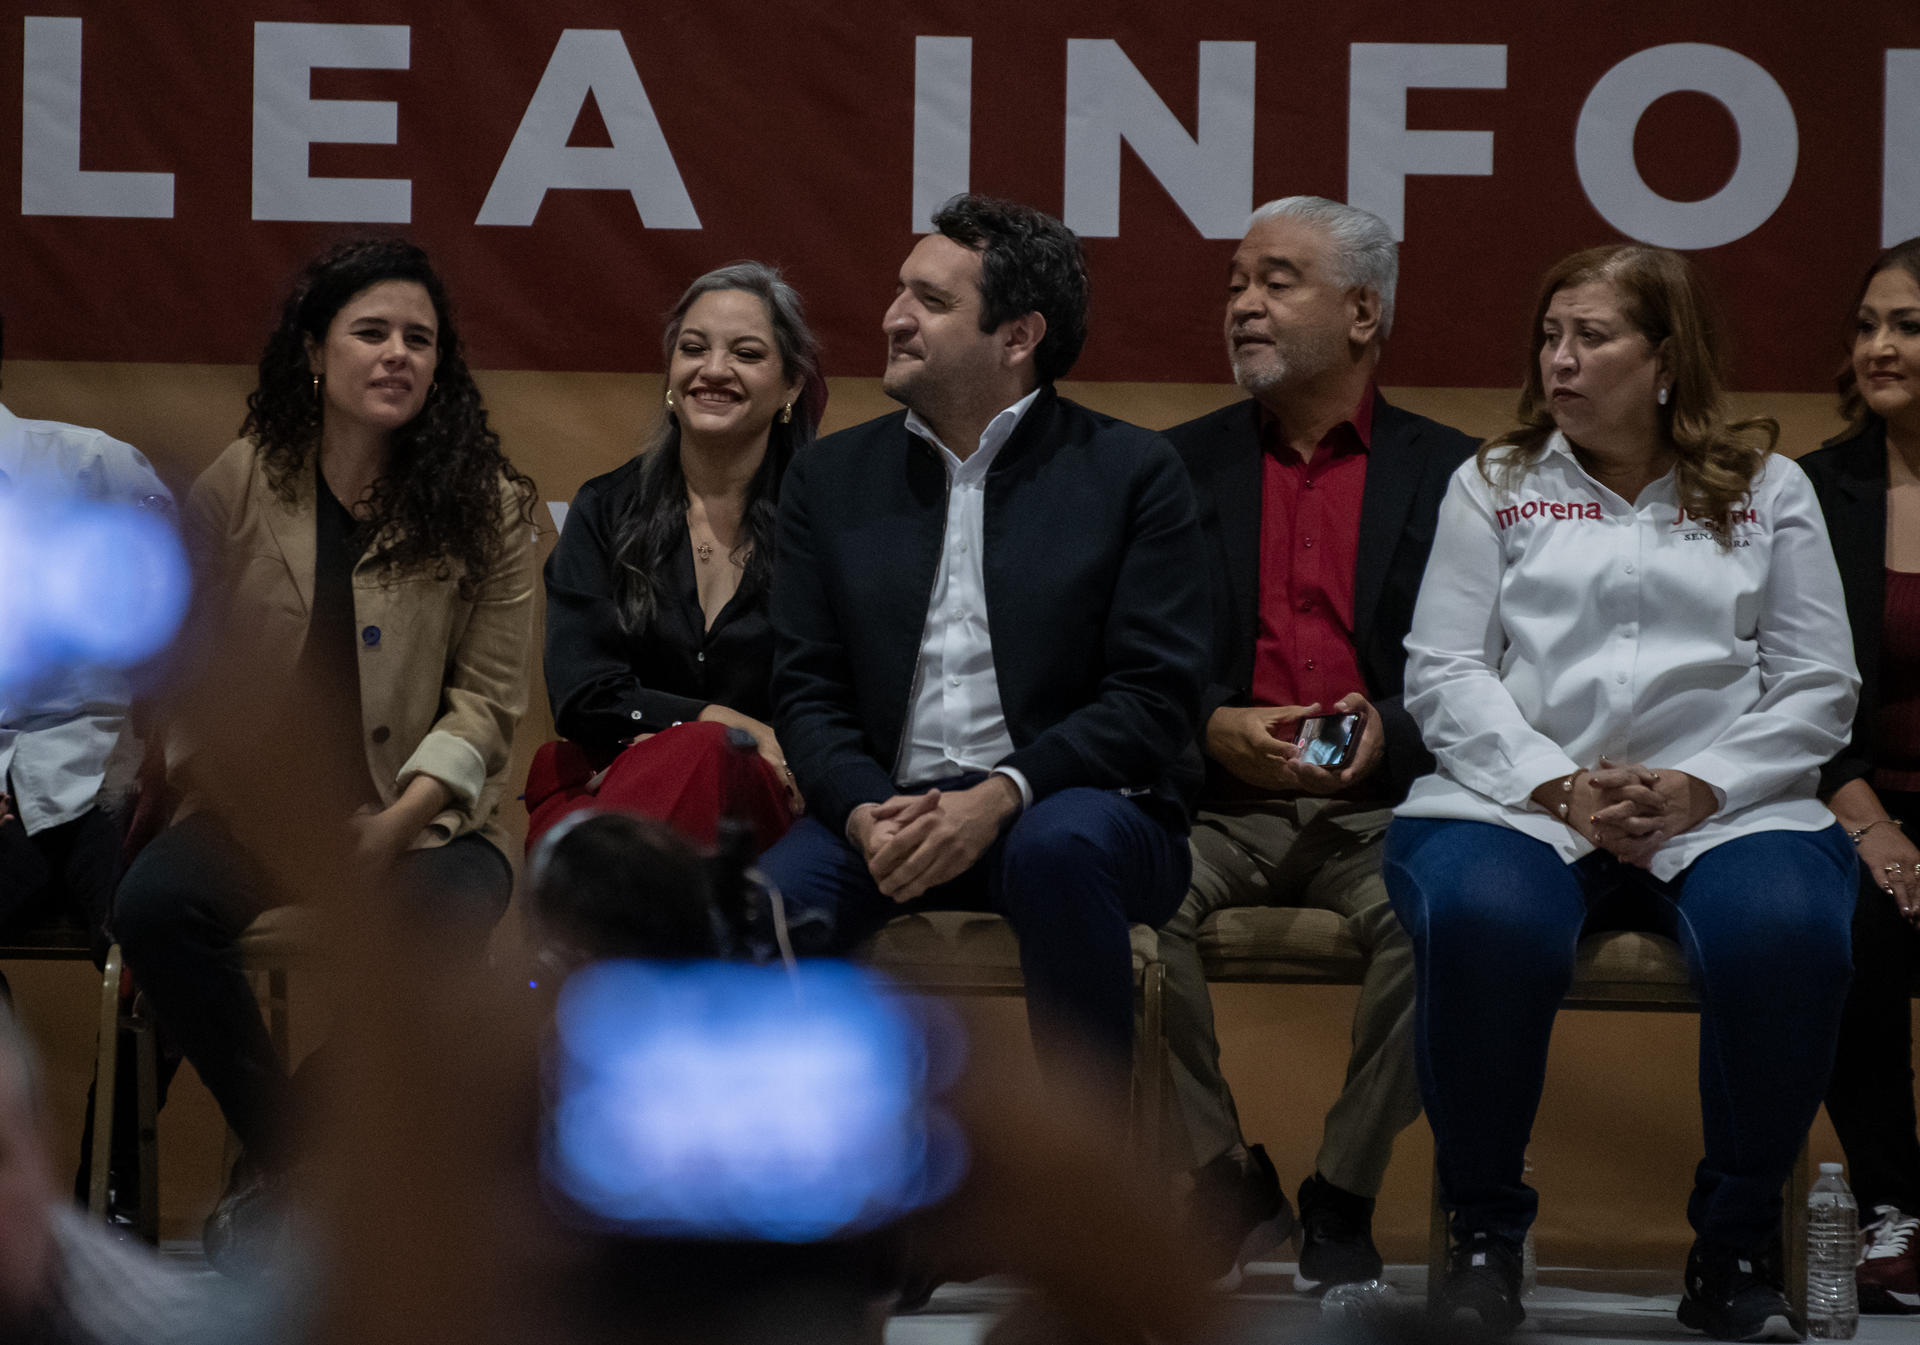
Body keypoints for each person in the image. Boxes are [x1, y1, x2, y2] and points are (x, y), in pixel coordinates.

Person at [1381, 244, 1859, 1338]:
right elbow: (1443, 671)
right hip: (1519, 804)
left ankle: (1735, 1248)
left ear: (1666, 358)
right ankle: (1486, 1236)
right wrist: (1555, 785)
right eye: (1550, 336)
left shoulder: (1769, 488)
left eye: (1591, 336)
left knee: (1788, 930)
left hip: (1729, 808)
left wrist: (1704, 784)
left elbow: (1819, 681)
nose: (1560, 359)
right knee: (1482, 919)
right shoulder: (1494, 482)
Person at [111, 236, 538, 1266]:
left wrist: (393, 824)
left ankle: (295, 1163)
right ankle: (297, 1162)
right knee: (155, 908)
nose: (398, 354)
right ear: (315, 352)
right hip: (261, 812)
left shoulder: (492, 503)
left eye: (420, 340)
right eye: (372, 332)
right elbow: (186, 666)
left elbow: (487, 702)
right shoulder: (244, 481)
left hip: (424, 818)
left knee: (447, 927)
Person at [757, 194, 1210, 1100]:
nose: (893, 317)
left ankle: (1086, 1199)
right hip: (884, 813)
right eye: (899, 292)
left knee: (1057, 848)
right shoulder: (828, 476)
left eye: (929, 300)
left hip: (1078, 807)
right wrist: (863, 812)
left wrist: (1003, 795)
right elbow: (804, 689)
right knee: (764, 907)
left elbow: (1154, 698)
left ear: (1017, 336)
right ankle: (802, 1206)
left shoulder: (1133, 473)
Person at [1156, 197, 1475, 1290]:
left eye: (1277, 280)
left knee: (1448, 922)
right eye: (1237, 281)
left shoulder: (1464, 477)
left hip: (1388, 807)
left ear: (1362, 310)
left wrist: (1396, 728)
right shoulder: (1168, 470)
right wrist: (1208, 723)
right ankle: (1221, 1184)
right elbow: (1126, 658)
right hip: (1211, 805)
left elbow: (1508, 666)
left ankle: (1341, 1191)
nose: (1244, 302)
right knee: (1109, 909)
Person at [533, 262, 824, 852]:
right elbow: (583, 693)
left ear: (791, 384)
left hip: (766, 805)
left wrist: (694, 743)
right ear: (671, 372)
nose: (714, 370)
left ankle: (616, 928)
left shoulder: (826, 522)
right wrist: (721, 723)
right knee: (700, 750)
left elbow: (842, 694)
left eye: (746, 353)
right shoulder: (604, 507)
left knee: (703, 760)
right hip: (609, 784)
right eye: (694, 349)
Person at [1800, 235, 1920, 1316]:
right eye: (1868, 324)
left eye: (1910, 326)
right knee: (1848, 921)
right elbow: (1793, 688)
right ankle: (1896, 1207)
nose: (1879, 347)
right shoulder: (1813, 490)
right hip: (1856, 797)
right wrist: (1870, 822)